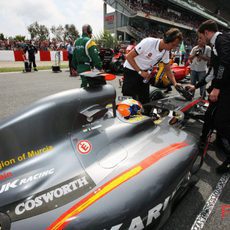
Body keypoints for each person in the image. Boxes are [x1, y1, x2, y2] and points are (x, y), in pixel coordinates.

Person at [197, 19, 230, 173]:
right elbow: (213, 71)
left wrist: (216, 87)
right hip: (222, 86)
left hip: (226, 87)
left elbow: (225, 63)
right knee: (210, 115)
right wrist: (196, 86)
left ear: (207, 32)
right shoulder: (216, 44)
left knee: (221, 121)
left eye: (201, 37)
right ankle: (203, 140)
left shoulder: (221, 39)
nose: (201, 40)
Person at [122, 28, 182, 104]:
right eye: (173, 45)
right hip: (131, 70)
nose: (173, 48)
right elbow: (129, 57)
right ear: (167, 39)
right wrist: (140, 72)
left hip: (145, 74)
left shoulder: (165, 51)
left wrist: (175, 83)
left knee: (145, 100)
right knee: (129, 100)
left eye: (176, 46)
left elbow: (167, 69)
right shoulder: (148, 42)